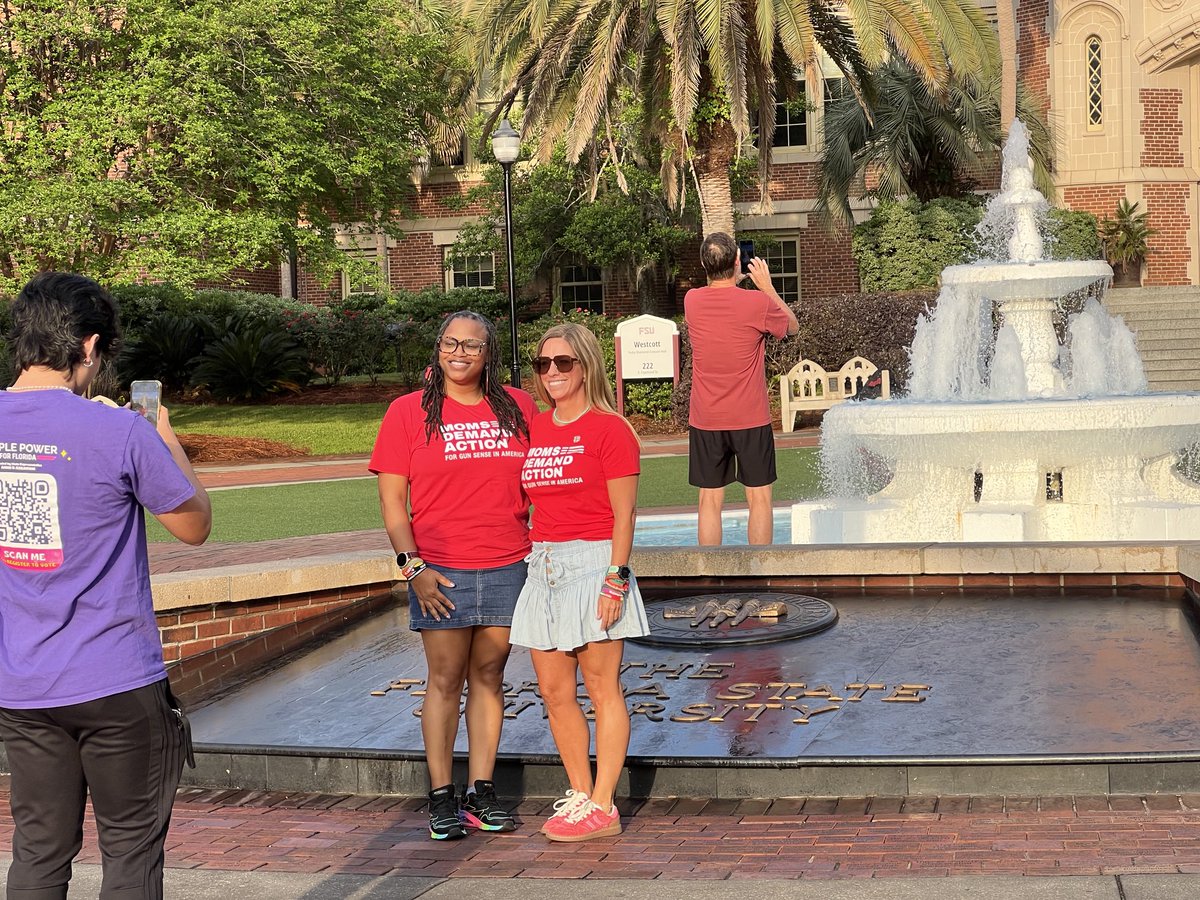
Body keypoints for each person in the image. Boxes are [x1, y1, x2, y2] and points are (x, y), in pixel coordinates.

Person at [0, 271, 213, 899]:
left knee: (38, 849)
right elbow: (193, 525)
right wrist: (161, 433)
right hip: (116, 678)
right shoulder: (119, 430)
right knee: (131, 849)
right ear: (89, 347)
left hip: (23, 682)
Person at [369, 311, 535, 841]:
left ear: (489, 353)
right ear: (437, 348)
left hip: (510, 563)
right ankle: (441, 795)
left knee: (489, 677)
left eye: (472, 344)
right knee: (444, 681)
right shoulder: (407, 412)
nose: (459, 352)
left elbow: (543, 479)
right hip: (440, 571)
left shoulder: (517, 406)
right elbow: (394, 503)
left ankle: (480, 791)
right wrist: (412, 566)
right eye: (450, 343)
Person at [509, 322, 649, 843]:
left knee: (601, 687)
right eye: (544, 365)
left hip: (594, 564)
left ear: (586, 365)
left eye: (563, 363)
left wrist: (615, 579)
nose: (552, 373)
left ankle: (604, 804)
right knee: (553, 689)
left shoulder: (610, 430)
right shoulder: (535, 428)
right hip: (542, 565)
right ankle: (580, 793)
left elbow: (625, 514)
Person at [684, 232, 799, 546]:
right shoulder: (758, 302)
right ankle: (759, 572)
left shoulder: (691, 301)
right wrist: (767, 287)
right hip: (750, 417)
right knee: (759, 499)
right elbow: (791, 326)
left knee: (709, 501)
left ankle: (711, 577)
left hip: (706, 418)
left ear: (703, 264)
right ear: (738, 261)